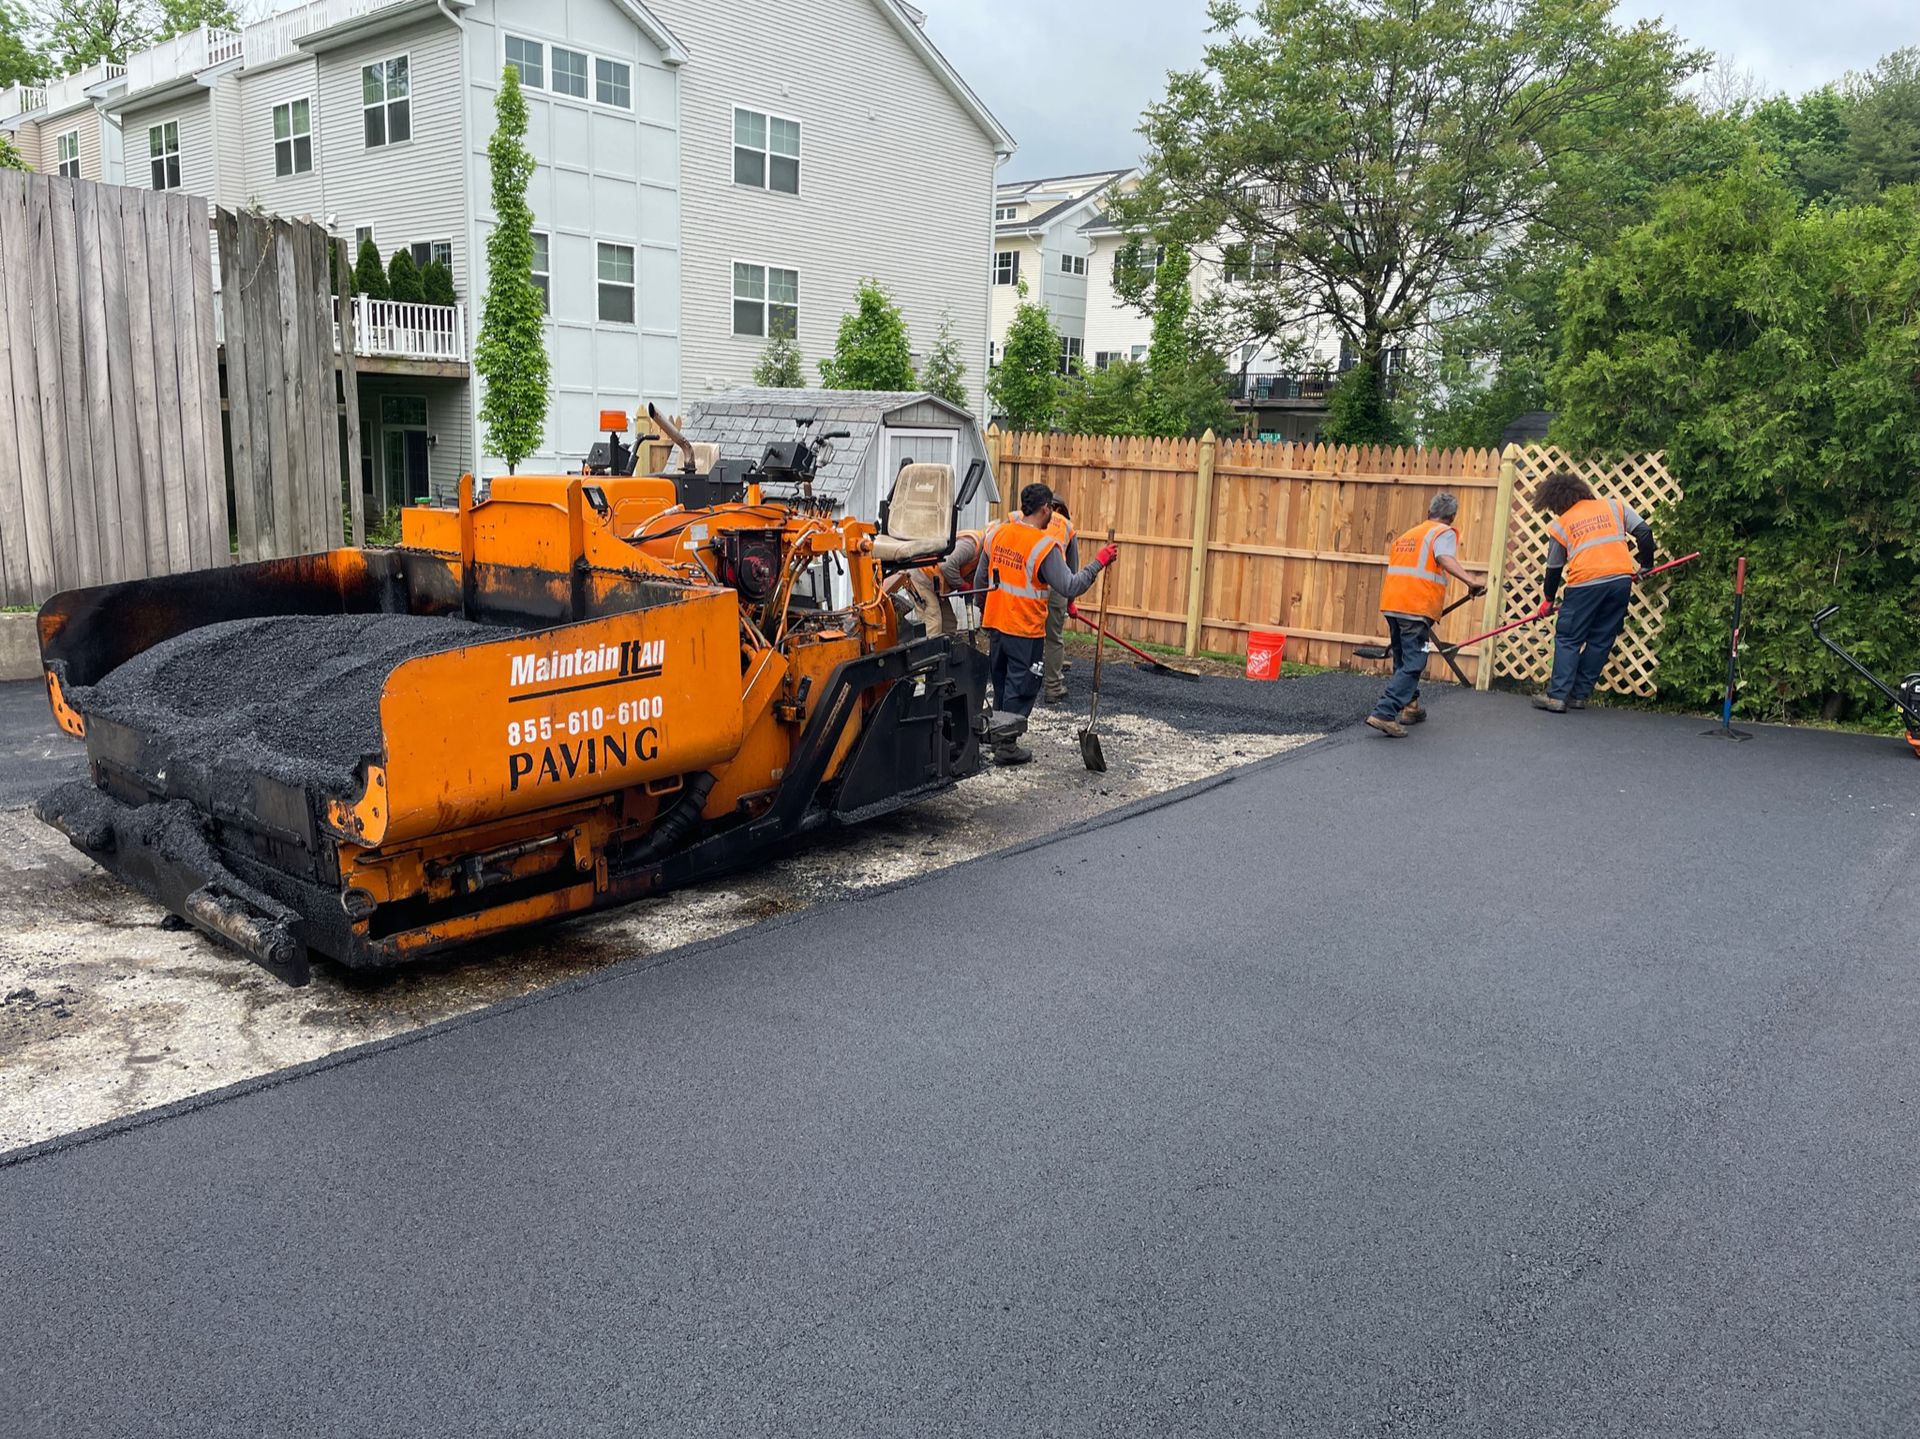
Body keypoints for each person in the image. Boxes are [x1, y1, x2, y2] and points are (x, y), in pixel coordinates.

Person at [973, 483, 1117, 765]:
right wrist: (1099, 562)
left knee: (1001, 683)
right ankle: (1006, 745)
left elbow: (981, 579)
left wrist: (982, 609)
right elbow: (1069, 584)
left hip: (996, 624)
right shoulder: (1043, 546)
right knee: (1023, 686)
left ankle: (998, 737)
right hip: (1024, 629)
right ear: (1045, 509)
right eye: (1050, 508)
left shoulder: (997, 533)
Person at [1529, 472, 1655, 713]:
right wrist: (1646, 564)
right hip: (1620, 581)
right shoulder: (1614, 506)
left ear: (1556, 502)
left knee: (1569, 638)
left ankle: (1557, 697)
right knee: (1601, 638)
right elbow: (1644, 532)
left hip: (1584, 584)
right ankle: (1578, 696)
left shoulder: (1561, 524)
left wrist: (1548, 599)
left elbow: (1554, 567)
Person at [1365, 492, 1486, 738]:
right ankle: (1385, 712)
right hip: (1415, 606)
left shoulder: (1409, 535)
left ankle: (1411, 707)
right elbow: (1444, 558)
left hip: (1393, 604)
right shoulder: (1443, 533)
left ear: (1429, 512)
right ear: (1452, 516)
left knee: (1402, 659)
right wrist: (1470, 581)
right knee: (1414, 662)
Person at [1041, 498, 1080, 704]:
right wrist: (1070, 601)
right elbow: (1071, 572)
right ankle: (1053, 688)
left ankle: (1023, 680)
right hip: (1055, 585)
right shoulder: (1066, 527)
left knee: (1025, 632)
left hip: (1027, 581)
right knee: (1053, 637)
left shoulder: (1025, 518)